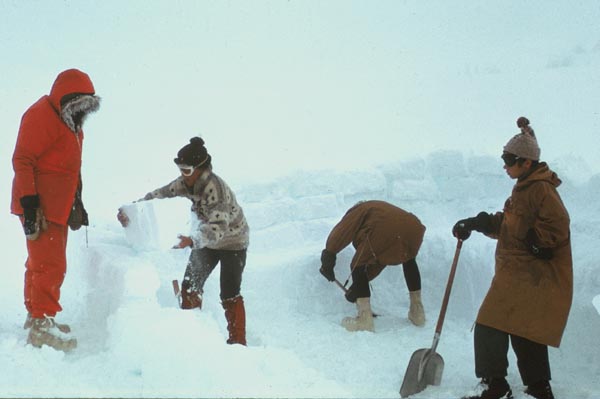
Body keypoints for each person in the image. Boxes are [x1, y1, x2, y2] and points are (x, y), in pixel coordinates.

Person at [452, 117, 572, 399]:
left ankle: (496, 386)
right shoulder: (526, 186)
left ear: (526, 162)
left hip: (529, 273)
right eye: (503, 158)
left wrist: (537, 244)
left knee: (489, 323)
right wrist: (477, 223)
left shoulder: (540, 188)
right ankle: (539, 387)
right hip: (519, 272)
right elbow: (511, 224)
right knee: (522, 328)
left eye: (509, 159)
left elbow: (558, 224)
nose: (504, 165)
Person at [117, 137, 250, 345]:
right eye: (180, 170)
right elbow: (159, 195)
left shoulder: (216, 190)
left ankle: (238, 343)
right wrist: (132, 211)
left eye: (186, 170)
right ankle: (192, 336)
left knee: (229, 292)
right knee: (190, 285)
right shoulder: (186, 183)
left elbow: (219, 228)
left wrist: (191, 240)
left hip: (233, 241)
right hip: (204, 240)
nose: (182, 175)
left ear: (200, 169)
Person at [11, 68, 101, 352]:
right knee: (50, 266)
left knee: (39, 263)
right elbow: (22, 159)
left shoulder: (72, 124)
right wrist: (30, 203)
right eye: (78, 106)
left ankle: (37, 315)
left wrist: (77, 202)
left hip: (57, 207)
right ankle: (41, 324)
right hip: (40, 208)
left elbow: (71, 167)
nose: (81, 112)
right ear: (66, 99)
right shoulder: (40, 115)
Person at [319, 200, 426, 332]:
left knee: (358, 263)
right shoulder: (378, 211)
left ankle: (365, 319)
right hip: (414, 228)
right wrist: (357, 287)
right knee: (409, 260)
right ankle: (417, 312)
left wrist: (328, 256)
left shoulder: (359, 210)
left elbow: (342, 231)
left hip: (387, 229)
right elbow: (379, 259)